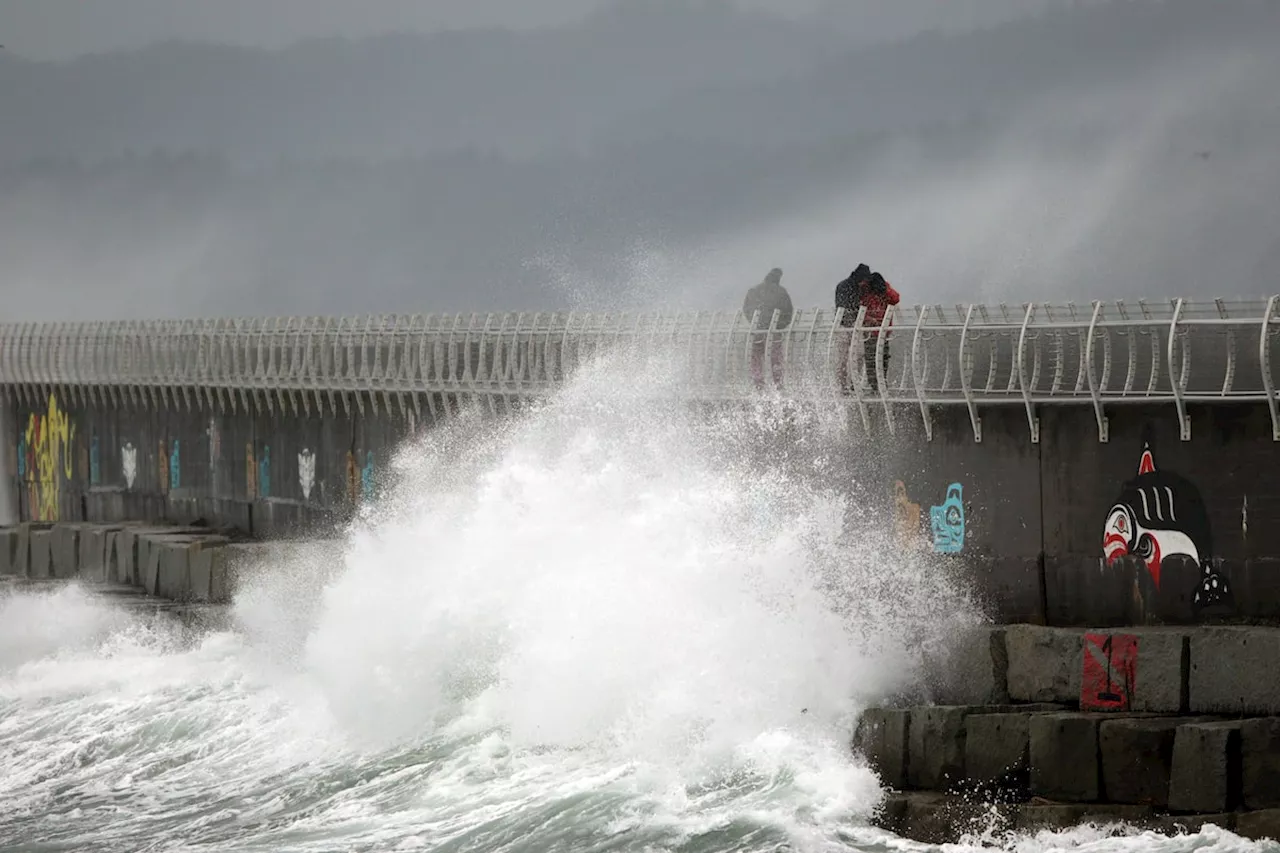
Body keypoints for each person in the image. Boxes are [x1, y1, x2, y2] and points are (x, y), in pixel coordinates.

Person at [833, 265, 900, 393]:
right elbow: (854, 307)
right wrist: (867, 319)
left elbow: (895, 298)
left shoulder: (862, 288)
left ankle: (852, 385)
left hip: (863, 328)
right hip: (858, 328)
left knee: (864, 357)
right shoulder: (858, 288)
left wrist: (885, 288)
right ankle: (859, 384)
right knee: (867, 357)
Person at [742, 267, 793, 389]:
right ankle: (778, 383)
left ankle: (758, 381)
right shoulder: (781, 292)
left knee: (756, 355)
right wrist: (779, 325)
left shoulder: (754, 290)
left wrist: (755, 322)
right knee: (776, 357)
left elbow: (747, 309)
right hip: (774, 330)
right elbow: (788, 311)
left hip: (758, 330)